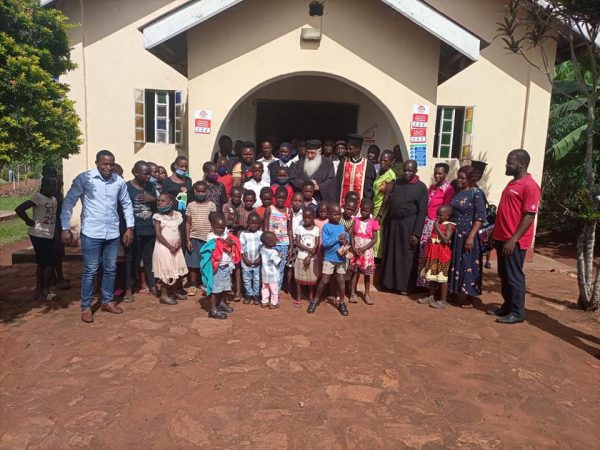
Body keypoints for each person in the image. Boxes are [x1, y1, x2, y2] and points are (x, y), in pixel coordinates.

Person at [61, 150, 134, 323]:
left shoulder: (119, 181)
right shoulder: (85, 179)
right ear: (97, 163)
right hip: (92, 233)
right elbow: (69, 202)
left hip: (113, 233)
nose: (108, 167)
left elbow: (126, 204)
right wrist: (65, 228)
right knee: (91, 270)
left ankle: (107, 301)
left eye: (111, 164)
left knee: (110, 268)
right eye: (105, 164)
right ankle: (86, 306)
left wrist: (129, 227)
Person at [488, 149, 540, 324]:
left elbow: (529, 216)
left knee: (514, 275)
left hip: (514, 241)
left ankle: (517, 312)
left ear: (521, 164)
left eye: (510, 163)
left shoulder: (530, 185)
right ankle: (507, 306)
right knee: (503, 274)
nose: (507, 165)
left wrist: (513, 239)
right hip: (502, 237)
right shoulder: (512, 184)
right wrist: (495, 234)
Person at [380, 160, 428, 294]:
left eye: (410, 171)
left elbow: (422, 212)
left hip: (409, 225)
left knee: (406, 256)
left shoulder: (421, 187)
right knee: (391, 253)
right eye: (405, 170)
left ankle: (404, 287)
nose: (407, 173)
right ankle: (389, 283)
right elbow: (389, 200)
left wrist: (416, 233)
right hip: (393, 223)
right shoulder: (397, 183)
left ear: (415, 172)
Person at [15, 176, 58, 302]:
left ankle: (39, 289)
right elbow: (19, 209)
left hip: (49, 234)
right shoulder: (38, 197)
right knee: (50, 263)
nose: (53, 188)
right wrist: (28, 220)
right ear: (43, 186)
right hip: (38, 234)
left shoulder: (54, 199)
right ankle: (46, 290)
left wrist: (54, 231)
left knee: (42, 263)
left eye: (54, 186)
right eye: (50, 185)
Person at [448, 165, 486, 308]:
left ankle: (470, 296)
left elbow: (480, 217)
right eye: (458, 177)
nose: (459, 180)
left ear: (470, 179)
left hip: (468, 232)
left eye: (462, 178)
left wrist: (471, 236)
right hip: (455, 232)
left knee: (468, 262)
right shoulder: (458, 192)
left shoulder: (476, 193)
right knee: (455, 261)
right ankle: (455, 291)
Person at [416, 163, 455, 288]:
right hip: (426, 223)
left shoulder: (448, 189)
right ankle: (423, 282)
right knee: (424, 253)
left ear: (445, 174)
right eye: (435, 173)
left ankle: (432, 286)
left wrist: (438, 225)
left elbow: (446, 209)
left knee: (434, 254)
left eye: (440, 173)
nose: (437, 175)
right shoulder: (432, 187)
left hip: (437, 225)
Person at [124, 161, 157, 301]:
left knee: (149, 259)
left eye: (150, 173)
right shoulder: (126, 187)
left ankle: (152, 285)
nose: (149, 176)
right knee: (130, 260)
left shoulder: (151, 186)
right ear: (135, 173)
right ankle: (128, 288)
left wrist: (153, 199)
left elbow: (158, 205)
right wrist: (127, 229)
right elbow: (122, 208)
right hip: (133, 230)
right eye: (146, 173)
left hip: (149, 229)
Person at [307, 204, 349, 316]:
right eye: (335, 214)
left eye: (339, 214)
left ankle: (342, 303)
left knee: (341, 280)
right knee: (325, 280)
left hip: (341, 258)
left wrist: (346, 241)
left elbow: (347, 237)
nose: (338, 216)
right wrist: (337, 238)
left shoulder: (342, 226)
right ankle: (315, 300)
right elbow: (325, 243)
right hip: (329, 258)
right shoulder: (326, 227)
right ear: (329, 215)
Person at [201, 213, 240, 319]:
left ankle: (222, 303)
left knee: (224, 288)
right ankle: (213, 309)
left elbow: (230, 241)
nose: (220, 230)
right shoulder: (211, 236)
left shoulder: (225, 234)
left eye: (223, 228)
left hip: (226, 266)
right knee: (215, 290)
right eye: (218, 227)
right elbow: (214, 244)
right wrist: (225, 242)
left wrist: (230, 242)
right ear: (212, 226)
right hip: (216, 268)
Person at [152, 193, 189, 305]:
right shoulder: (157, 216)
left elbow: (178, 231)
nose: (160, 202)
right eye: (158, 200)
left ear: (171, 203)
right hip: (164, 248)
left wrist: (178, 244)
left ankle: (174, 292)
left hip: (176, 248)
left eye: (163, 200)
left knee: (176, 270)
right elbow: (158, 234)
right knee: (166, 272)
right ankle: (163, 295)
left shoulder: (177, 215)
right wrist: (169, 247)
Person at [417, 205, 456, 309]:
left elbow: (446, 240)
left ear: (448, 216)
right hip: (433, 253)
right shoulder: (437, 223)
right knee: (432, 276)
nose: (438, 216)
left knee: (442, 277)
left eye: (440, 215)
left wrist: (437, 227)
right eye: (437, 214)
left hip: (442, 254)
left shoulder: (449, 225)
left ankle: (443, 300)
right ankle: (431, 296)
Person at [185, 181, 216, 297]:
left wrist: (212, 236)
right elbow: (188, 223)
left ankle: (205, 284)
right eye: (199, 191)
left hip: (207, 239)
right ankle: (193, 284)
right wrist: (187, 239)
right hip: (194, 237)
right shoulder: (190, 205)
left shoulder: (211, 205)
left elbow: (214, 221)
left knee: (207, 263)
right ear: (194, 191)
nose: (201, 193)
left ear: (207, 192)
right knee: (193, 263)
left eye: (203, 191)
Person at [349, 198, 379, 305]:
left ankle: (367, 294)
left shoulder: (373, 222)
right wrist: (353, 247)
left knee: (367, 274)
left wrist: (364, 248)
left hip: (366, 253)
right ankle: (353, 293)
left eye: (366, 211)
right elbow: (351, 234)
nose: (363, 212)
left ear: (371, 211)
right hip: (356, 250)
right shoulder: (356, 220)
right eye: (362, 209)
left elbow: (375, 239)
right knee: (355, 273)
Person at [263, 186, 292, 291]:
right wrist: (266, 243)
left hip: (284, 244)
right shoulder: (269, 209)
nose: (281, 200)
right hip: (271, 245)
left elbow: (290, 230)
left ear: (286, 198)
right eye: (279, 197)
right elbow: (265, 228)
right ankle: (267, 290)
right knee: (269, 267)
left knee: (280, 268)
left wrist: (291, 246)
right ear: (275, 197)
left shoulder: (289, 211)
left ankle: (276, 291)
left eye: (283, 198)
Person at [338, 134, 376, 205]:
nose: (347, 151)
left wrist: (366, 204)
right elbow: (338, 183)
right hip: (343, 204)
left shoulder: (367, 165)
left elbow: (368, 188)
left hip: (360, 205)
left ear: (358, 149)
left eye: (350, 149)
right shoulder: (343, 163)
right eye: (347, 148)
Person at [294, 208, 320, 308]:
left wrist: (309, 256)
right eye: (305, 217)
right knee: (298, 279)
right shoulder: (299, 228)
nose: (307, 219)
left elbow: (317, 244)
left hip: (313, 259)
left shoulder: (316, 229)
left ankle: (310, 296)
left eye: (309, 217)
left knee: (312, 280)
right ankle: (299, 298)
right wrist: (309, 250)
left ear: (313, 218)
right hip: (301, 257)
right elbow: (297, 242)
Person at [373, 150, 396, 258]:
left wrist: (380, 214)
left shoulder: (390, 175)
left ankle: (377, 258)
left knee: (377, 233)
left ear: (391, 162)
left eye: (385, 160)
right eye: (381, 160)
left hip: (381, 209)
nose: (382, 162)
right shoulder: (379, 172)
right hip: (374, 207)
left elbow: (387, 197)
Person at [240, 212, 263, 305]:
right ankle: (248, 294)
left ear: (259, 224)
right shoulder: (243, 234)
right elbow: (241, 248)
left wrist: (260, 258)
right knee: (247, 279)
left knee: (257, 279)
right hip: (246, 261)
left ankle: (256, 295)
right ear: (247, 223)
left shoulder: (260, 233)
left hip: (257, 261)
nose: (254, 225)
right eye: (252, 223)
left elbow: (263, 248)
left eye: (256, 223)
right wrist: (245, 259)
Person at [260, 231, 283, 309]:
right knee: (274, 290)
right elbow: (277, 262)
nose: (276, 240)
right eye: (274, 240)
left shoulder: (262, 249)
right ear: (270, 243)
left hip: (264, 274)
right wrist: (280, 256)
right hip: (273, 275)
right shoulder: (273, 252)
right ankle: (273, 303)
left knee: (264, 288)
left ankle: (264, 302)